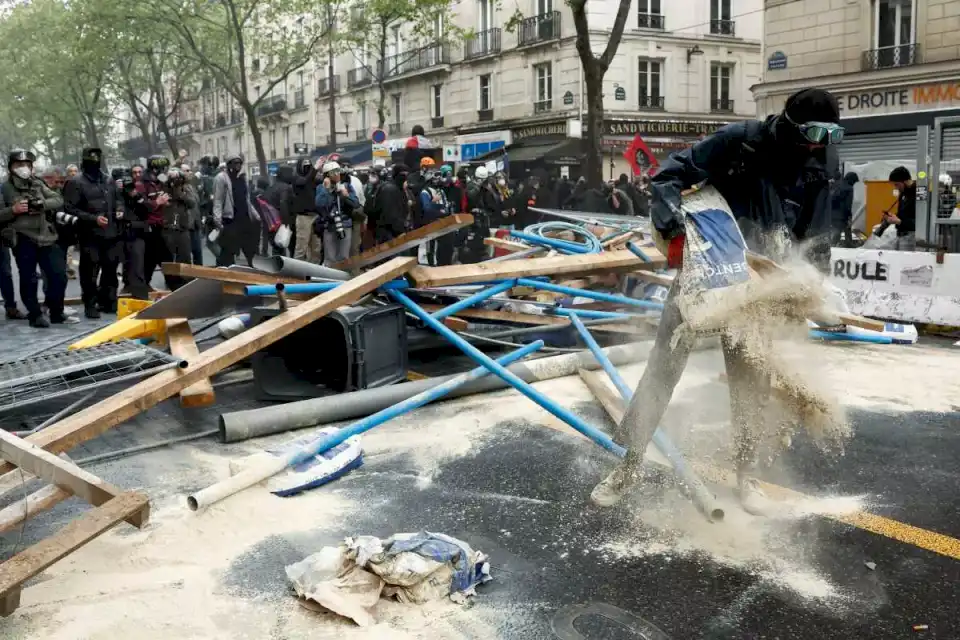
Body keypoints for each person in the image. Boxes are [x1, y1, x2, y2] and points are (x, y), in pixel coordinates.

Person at [590, 87, 845, 515]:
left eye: (828, 137)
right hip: (706, 268)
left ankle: (747, 478)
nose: (817, 145)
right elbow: (670, 176)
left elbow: (811, 241)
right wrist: (668, 215)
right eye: (811, 135)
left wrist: (808, 291)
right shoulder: (739, 141)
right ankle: (628, 465)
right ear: (787, 125)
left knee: (751, 383)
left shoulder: (820, 166)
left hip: (760, 283)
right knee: (663, 367)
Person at [0, 149, 75, 327]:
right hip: (23, 237)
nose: (24, 168)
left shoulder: (38, 183)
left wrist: (42, 204)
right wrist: (13, 210)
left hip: (46, 236)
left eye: (27, 164)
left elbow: (57, 199)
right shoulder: (4, 188)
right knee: (29, 278)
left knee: (58, 275)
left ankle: (56, 312)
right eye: (19, 165)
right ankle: (35, 315)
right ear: (11, 167)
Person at [63, 147, 123, 319]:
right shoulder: (76, 182)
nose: (95, 162)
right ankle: (90, 303)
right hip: (89, 234)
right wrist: (92, 219)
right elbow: (69, 208)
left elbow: (118, 198)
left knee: (111, 268)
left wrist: (119, 209)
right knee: (90, 272)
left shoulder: (108, 179)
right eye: (91, 159)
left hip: (111, 232)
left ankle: (108, 300)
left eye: (97, 158)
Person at [212, 154, 261, 267]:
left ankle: (254, 272)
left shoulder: (242, 179)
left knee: (250, 249)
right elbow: (218, 200)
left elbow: (247, 200)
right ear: (229, 164)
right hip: (230, 220)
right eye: (235, 163)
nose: (238, 166)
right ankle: (224, 273)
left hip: (245, 219)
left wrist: (256, 215)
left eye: (239, 163)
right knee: (228, 251)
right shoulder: (221, 178)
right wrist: (217, 219)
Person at [314, 161, 359, 266]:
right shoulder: (321, 188)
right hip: (329, 225)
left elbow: (356, 204)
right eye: (333, 172)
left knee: (344, 257)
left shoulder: (346, 186)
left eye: (338, 171)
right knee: (330, 257)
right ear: (327, 175)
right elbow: (319, 204)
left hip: (345, 224)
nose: (337, 174)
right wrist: (327, 189)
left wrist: (346, 195)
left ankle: (343, 278)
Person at [366, 165, 409, 245]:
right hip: (386, 232)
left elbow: (392, 212)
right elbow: (389, 213)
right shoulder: (385, 189)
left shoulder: (389, 189)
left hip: (388, 231)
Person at [291, 156, 322, 263]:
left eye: (309, 166)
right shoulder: (296, 178)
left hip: (315, 216)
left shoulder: (314, 179)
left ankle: (314, 271)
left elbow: (322, 180)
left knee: (316, 247)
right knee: (301, 247)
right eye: (305, 166)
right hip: (303, 217)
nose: (307, 168)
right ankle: (296, 272)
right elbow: (303, 182)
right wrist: (315, 169)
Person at [418, 167, 449, 266]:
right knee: (431, 246)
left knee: (442, 246)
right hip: (430, 223)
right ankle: (431, 264)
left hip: (442, 222)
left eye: (439, 178)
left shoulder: (442, 191)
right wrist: (434, 203)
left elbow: (446, 206)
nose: (437, 180)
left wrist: (443, 211)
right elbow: (426, 209)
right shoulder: (425, 192)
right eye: (435, 178)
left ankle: (441, 264)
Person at [265, 164, 295, 256]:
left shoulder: (271, 187)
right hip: (283, 222)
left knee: (277, 249)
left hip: (271, 222)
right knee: (288, 246)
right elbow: (283, 203)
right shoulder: (285, 188)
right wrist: (286, 222)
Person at [886, 166, 917, 251]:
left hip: (911, 237)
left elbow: (920, 222)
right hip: (901, 235)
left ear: (905, 181)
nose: (896, 188)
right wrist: (894, 217)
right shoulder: (903, 194)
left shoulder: (918, 195)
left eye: (897, 184)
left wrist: (899, 221)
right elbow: (903, 213)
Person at [830, 171, 858, 248]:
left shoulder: (838, 185)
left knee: (840, 230)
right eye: (854, 182)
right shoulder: (849, 188)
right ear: (852, 180)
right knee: (840, 231)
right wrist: (849, 215)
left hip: (832, 213)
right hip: (842, 215)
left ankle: (848, 244)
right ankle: (832, 246)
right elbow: (848, 204)